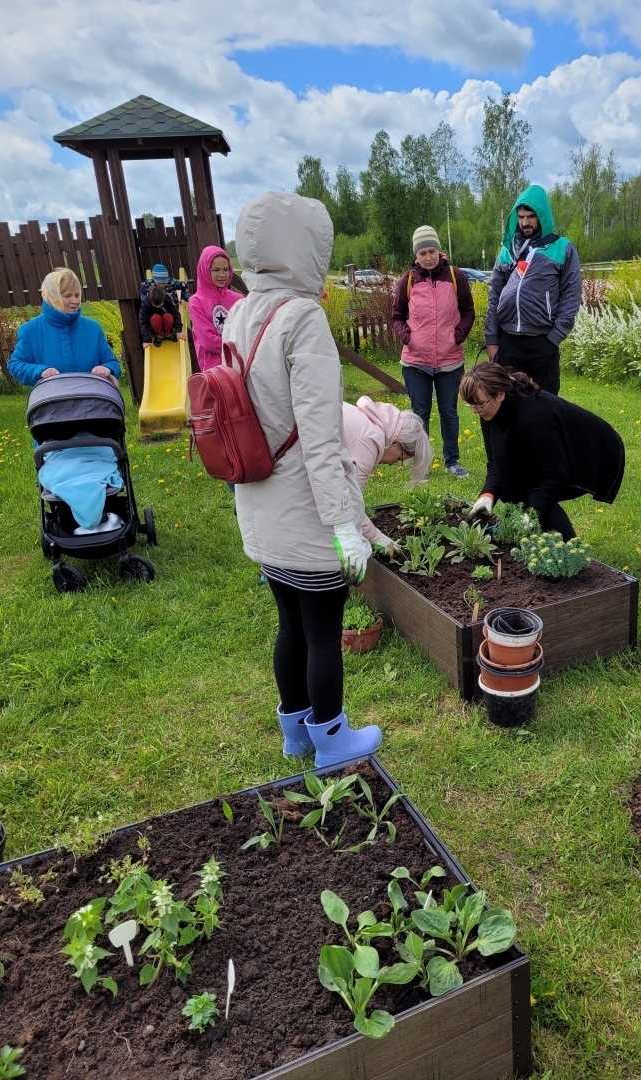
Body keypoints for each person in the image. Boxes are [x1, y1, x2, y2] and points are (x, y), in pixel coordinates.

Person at [224, 190, 382, 766]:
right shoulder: (302, 318)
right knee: (321, 632)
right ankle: (333, 741)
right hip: (306, 506)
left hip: (259, 500)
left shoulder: (239, 312)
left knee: (289, 624)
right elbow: (321, 439)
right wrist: (345, 526)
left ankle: (295, 732)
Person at [461, 362, 624, 538]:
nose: (475, 411)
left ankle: (570, 548)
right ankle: (543, 537)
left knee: (536, 494)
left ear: (500, 394)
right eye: (471, 405)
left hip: (592, 451)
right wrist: (488, 494)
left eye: (479, 405)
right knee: (516, 488)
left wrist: (530, 516)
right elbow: (496, 462)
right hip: (552, 446)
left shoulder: (534, 417)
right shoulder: (489, 410)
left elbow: (554, 476)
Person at [392, 225, 475, 478]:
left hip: (450, 360)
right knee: (420, 414)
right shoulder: (407, 282)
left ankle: (452, 462)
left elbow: (468, 312)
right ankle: (423, 465)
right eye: (423, 252)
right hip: (416, 362)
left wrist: (457, 336)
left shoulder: (455, 276)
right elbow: (396, 317)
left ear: (440, 251)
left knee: (449, 412)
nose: (428, 257)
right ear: (415, 256)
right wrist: (408, 337)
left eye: (432, 251)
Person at [485, 184, 581, 395]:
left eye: (530, 216)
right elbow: (494, 296)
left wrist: (554, 338)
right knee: (508, 405)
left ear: (542, 217)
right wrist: (492, 339)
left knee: (545, 405)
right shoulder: (507, 251)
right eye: (520, 216)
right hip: (508, 341)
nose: (525, 222)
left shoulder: (562, 248)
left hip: (543, 342)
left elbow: (572, 297)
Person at [342, 395, 433, 554]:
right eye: (400, 459)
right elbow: (350, 507)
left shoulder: (369, 425)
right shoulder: (368, 442)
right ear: (397, 442)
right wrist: (377, 538)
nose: (392, 464)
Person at [8, 268, 121, 386]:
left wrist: (106, 368)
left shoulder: (93, 328)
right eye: (67, 296)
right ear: (52, 297)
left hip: (91, 400)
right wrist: (40, 371)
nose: (75, 301)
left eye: (77, 295)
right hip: (51, 400)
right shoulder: (30, 330)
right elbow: (16, 365)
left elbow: (112, 363)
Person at [188, 246, 244, 371]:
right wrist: (239, 344)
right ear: (206, 270)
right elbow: (209, 342)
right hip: (215, 373)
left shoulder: (239, 300)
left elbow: (247, 330)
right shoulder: (196, 302)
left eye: (226, 269)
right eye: (216, 270)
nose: (222, 275)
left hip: (239, 368)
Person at [138, 283, 185, 348]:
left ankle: (168, 333)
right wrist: (146, 340)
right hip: (156, 325)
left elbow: (176, 314)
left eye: (162, 303)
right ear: (151, 302)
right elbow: (143, 322)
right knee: (155, 318)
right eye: (157, 305)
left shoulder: (167, 298)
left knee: (167, 316)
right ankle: (160, 335)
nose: (160, 305)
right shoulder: (145, 304)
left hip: (168, 323)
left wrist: (179, 331)